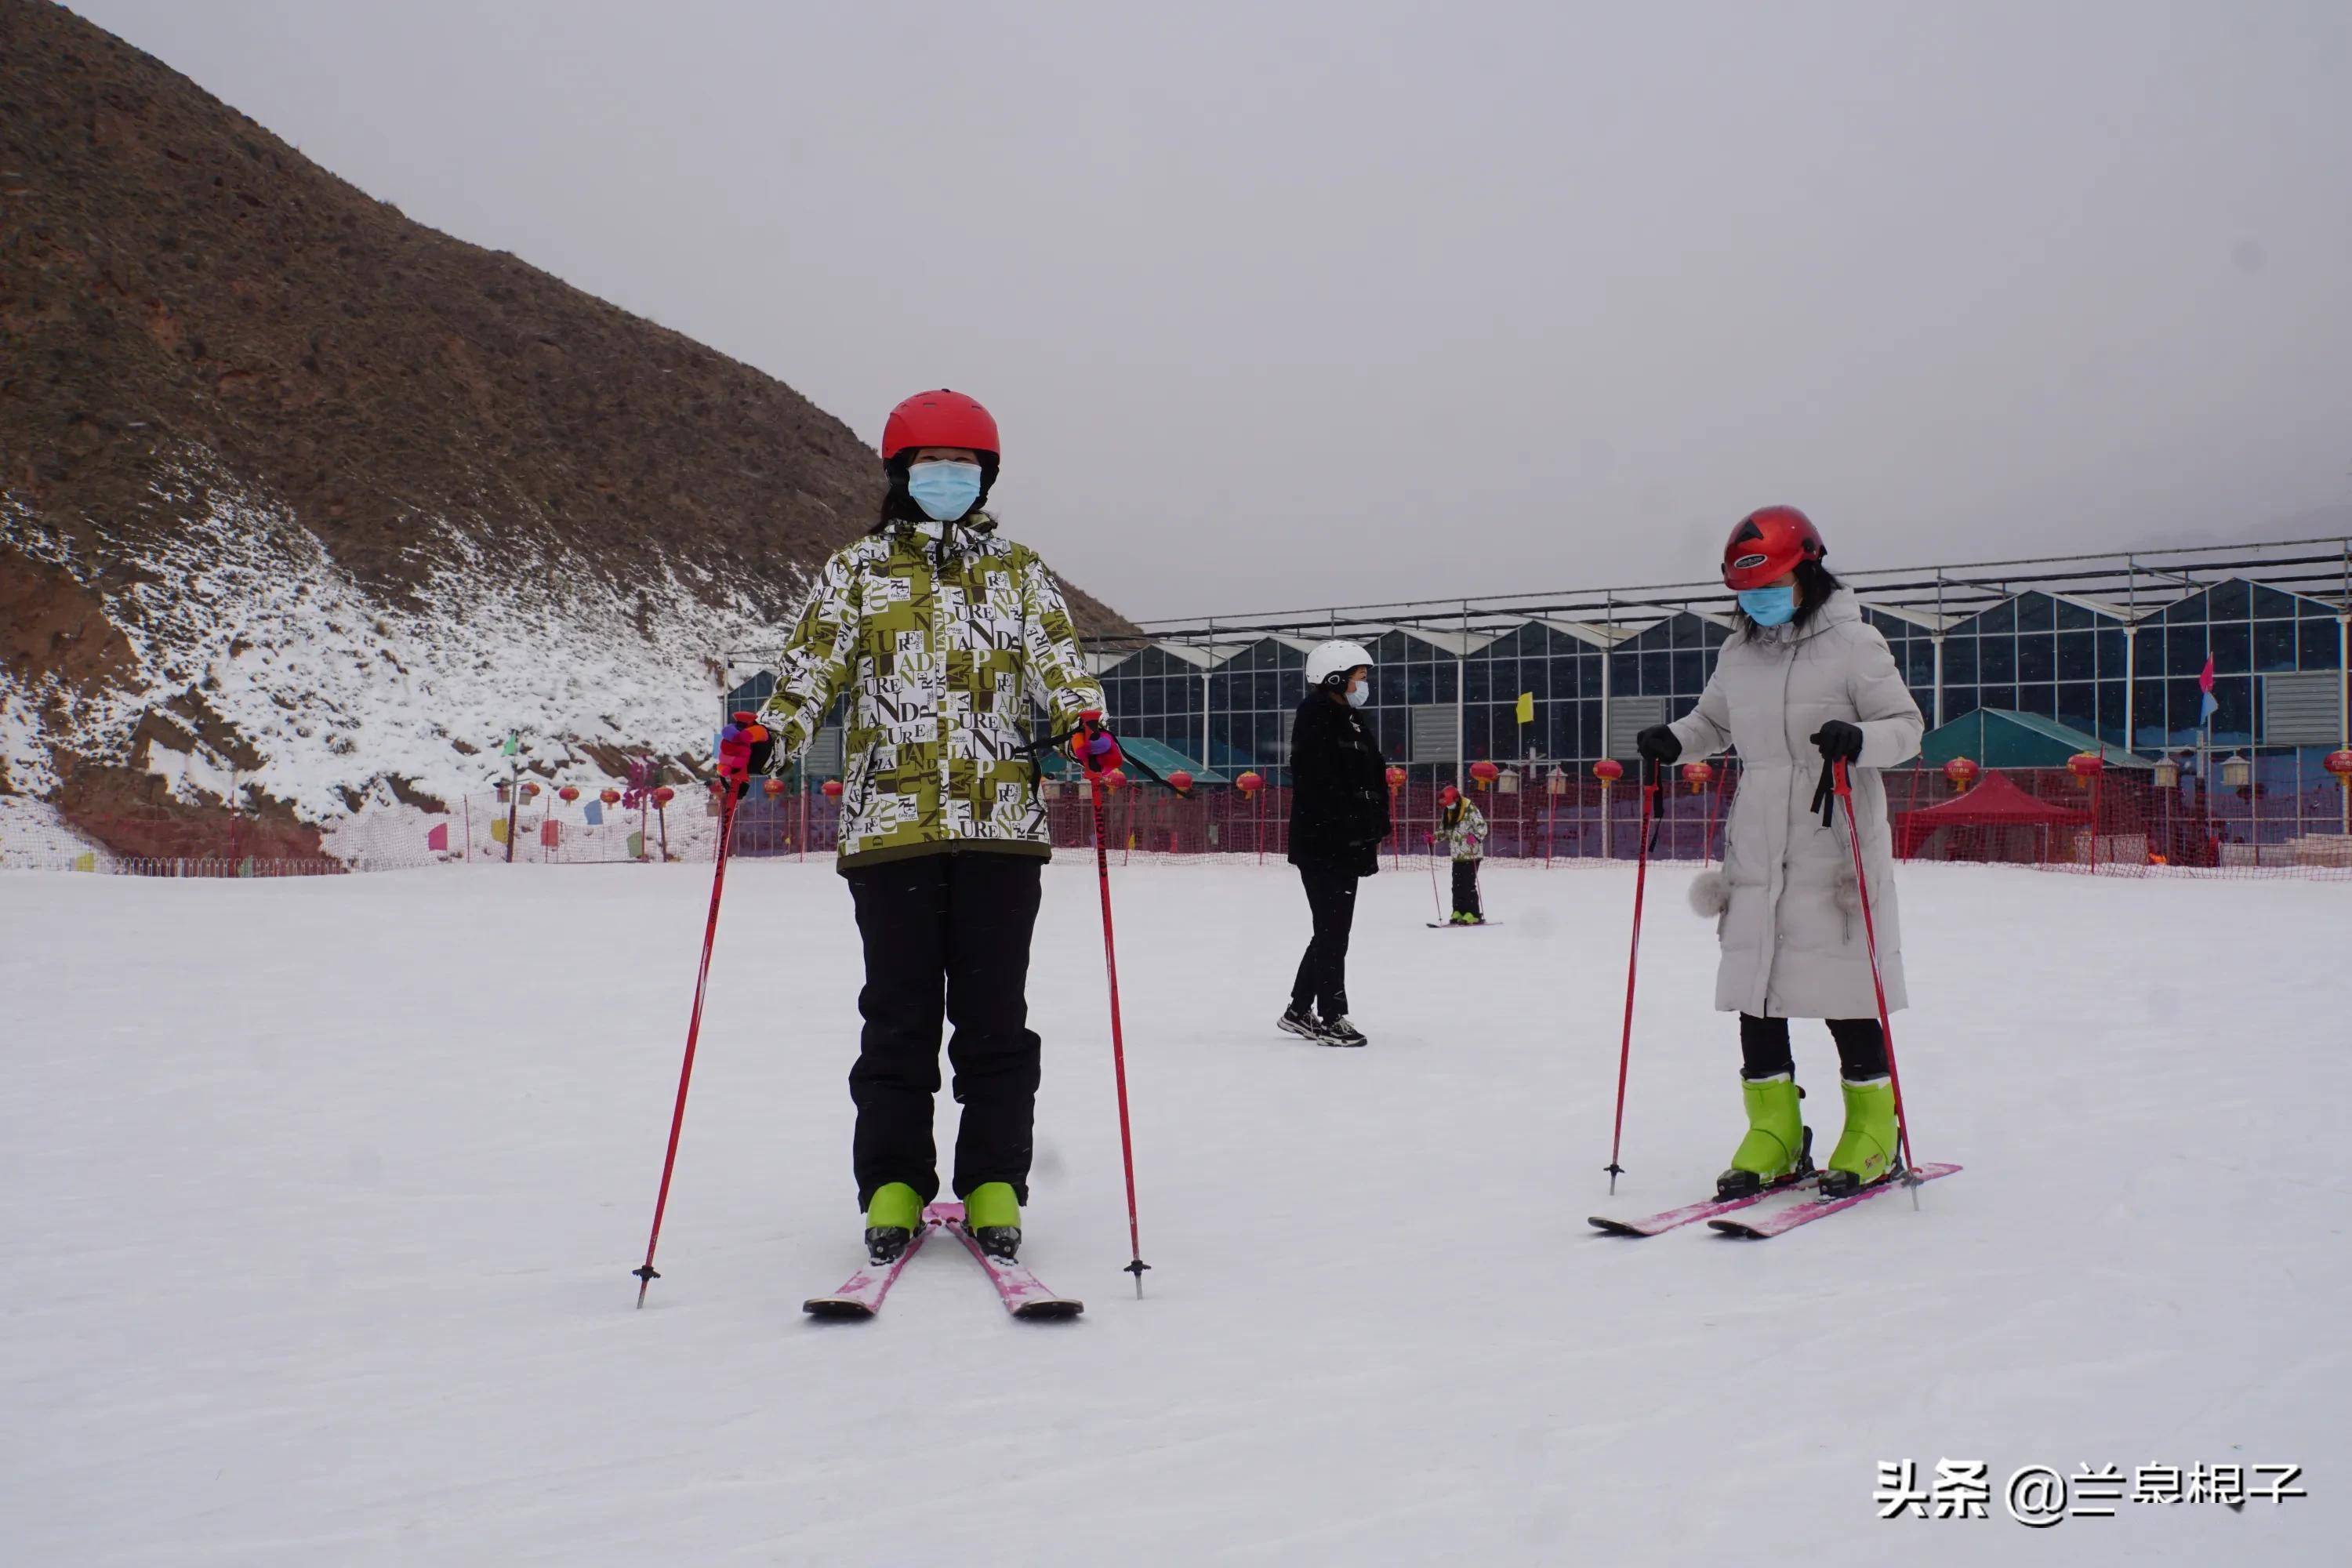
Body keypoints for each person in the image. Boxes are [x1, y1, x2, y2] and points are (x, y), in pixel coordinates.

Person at [741, 389, 1109, 1266]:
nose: (948, 478)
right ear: (900, 474)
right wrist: (766, 736)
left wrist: (1082, 724)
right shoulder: (856, 571)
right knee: (898, 1018)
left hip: (999, 830)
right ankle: (895, 1182)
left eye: (965, 467)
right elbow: (808, 674)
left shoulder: (1019, 572)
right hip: (890, 830)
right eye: (931, 466)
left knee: (994, 1021)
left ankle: (991, 1181)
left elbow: (1061, 668)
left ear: (985, 479)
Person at [1635, 506, 1924, 1200]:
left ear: (1809, 572)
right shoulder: (1739, 652)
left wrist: (1859, 738)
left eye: (1770, 585)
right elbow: (1713, 721)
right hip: (1760, 837)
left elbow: (1907, 728)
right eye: (1746, 592)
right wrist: (1676, 741)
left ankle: (1872, 1131)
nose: (1757, 603)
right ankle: (1774, 1134)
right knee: (1756, 990)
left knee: (1845, 989)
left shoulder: (1856, 644)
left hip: (1834, 832)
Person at [1279, 640, 1390, 1047]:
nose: (1365, 684)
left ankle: (1297, 1010)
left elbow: (1371, 774)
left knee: (1331, 930)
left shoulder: (1354, 720)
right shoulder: (1317, 716)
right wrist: (1351, 823)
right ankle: (1332, 1015)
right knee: (1332, 932)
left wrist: (1376, 822)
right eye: (1360, 676)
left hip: (1348, 841)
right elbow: (1321, 782)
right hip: (1323, 841)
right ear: (1336, 677)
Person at [1432, 784, 1487, 924]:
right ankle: (1458, 911)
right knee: (1456, 885)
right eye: (1446, 805)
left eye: (1450, 804)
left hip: (1471, 853)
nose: (1448, 807)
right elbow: (1444, 831)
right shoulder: (1449, 812)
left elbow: (1482, 827)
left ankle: (1473, 913)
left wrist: (1474, 837)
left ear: (1456, 800)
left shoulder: (1470, 809)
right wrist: (1434, 837)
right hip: (1457, 854)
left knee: (1468, 884)